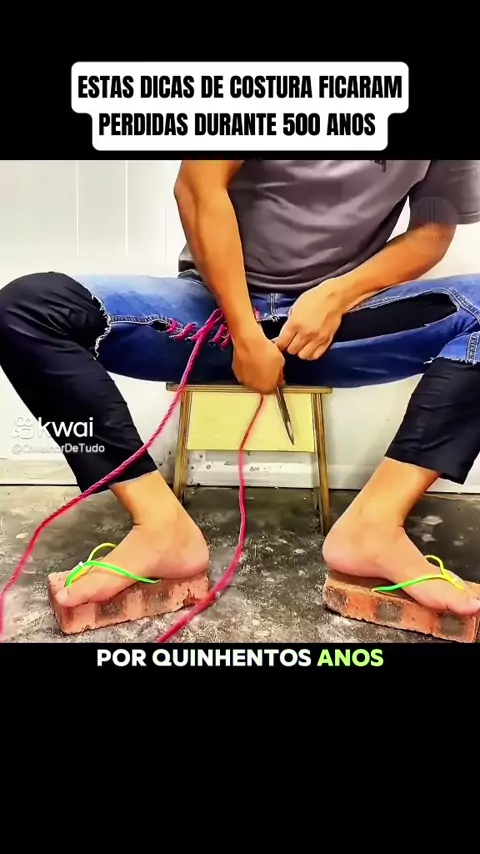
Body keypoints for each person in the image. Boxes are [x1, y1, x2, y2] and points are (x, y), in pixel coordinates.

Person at [1, 159, 480, 617]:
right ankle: (159, 528)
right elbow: (197, 187)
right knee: (27, 310)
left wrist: (338, 295)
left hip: (335, 324)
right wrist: (245, 333)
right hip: (212, 311)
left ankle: (376, 527)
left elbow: (432, 232)